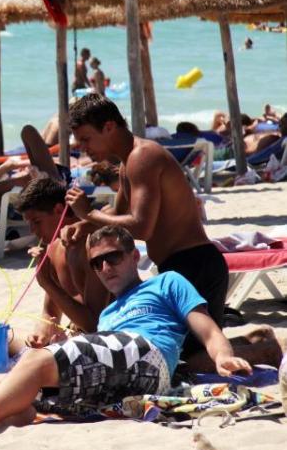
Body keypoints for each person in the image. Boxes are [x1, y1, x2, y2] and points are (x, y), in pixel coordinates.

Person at [0, 225, 252, 435]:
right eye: (96, 263)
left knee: (36, 361)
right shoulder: (109, 313)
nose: (105, 268)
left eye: (113, 257)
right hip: (113, 380)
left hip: (149, 356)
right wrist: (65, 342)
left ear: (134, 257)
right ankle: (20, 411)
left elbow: (208, 329)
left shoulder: (166, 282)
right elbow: (99, 357)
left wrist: (223, 357)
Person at [62, 95, 280, 370]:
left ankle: (266, 350)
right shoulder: (127, 164)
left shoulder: (143, 156)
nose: (82, 148)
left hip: (195, 263)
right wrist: (82, 226)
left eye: (85, 139)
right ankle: (255, 339)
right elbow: (116, 219)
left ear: (108, 127)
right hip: (177, 266)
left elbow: (141, 226)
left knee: (182, 361)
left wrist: (88, 213)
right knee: (177, 352)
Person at [15, 178, 111, 346]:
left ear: (59, 210)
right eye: (29, 224)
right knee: (8, 339)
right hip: (79, 335)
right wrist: (41, 334)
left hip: (108, 338)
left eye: (36, 222)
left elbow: (95, 325)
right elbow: (50, 312)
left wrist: (47, 283)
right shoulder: (53, 248)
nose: (32, 230)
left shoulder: (92, 245)